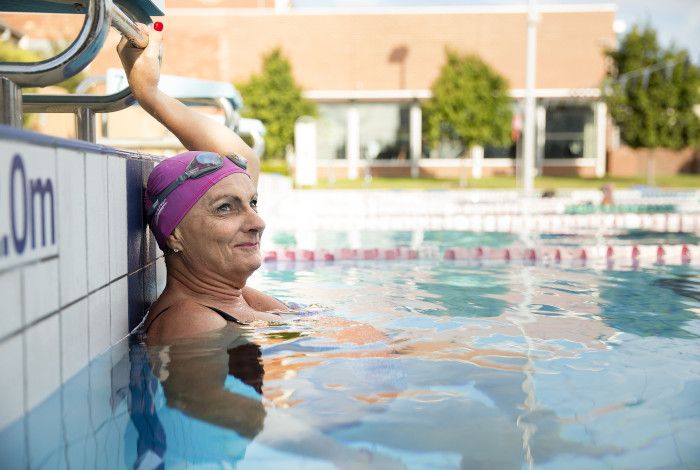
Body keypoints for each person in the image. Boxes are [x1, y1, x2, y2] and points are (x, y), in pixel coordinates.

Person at [118, 22, 288, 344]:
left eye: (252, 203)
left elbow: (243, 161)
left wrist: (151, 95)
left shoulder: (234, 299)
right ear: (176, 235)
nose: (258, 222)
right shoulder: (194, 324)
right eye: (225, 208)